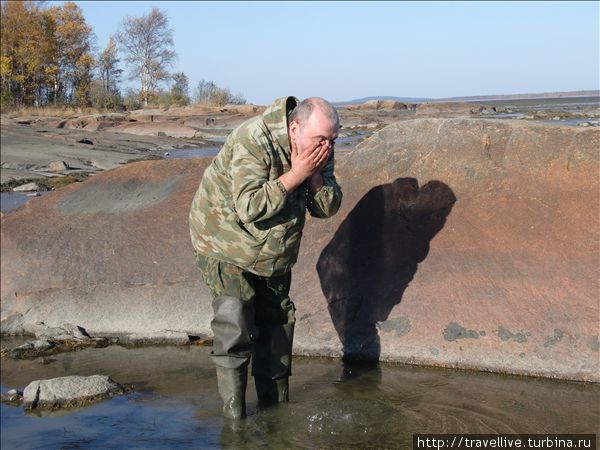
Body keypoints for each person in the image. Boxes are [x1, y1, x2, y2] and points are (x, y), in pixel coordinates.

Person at [189, 96, 343, 419]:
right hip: (224, 240)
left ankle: (275, 417)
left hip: (273, 251)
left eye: (333, 140)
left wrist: (315, 177)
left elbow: (327, 207)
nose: (326, 147)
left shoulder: (320, 147)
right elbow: (249, 207)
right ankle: (235, 423)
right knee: (235, 319)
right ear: (294, 127)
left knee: (276, 326)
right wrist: (297, 173)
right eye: (321, 140)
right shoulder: (253, 139)